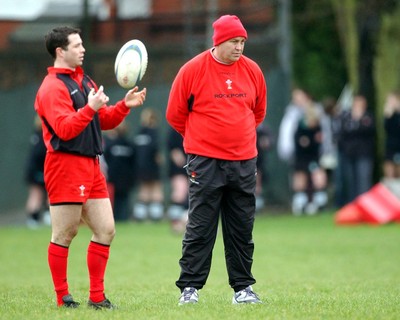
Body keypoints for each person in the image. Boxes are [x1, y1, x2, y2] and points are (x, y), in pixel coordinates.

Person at [34, 26, 146, 309]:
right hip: (65, 164)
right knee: (64, 233)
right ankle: (63, 297)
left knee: (106, 229)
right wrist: (91, 108)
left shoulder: (85, 81)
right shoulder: (51, 87)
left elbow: (103, 120)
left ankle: (97, 297)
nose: (83, 49)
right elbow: (64, 128)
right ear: (60, 51)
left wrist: (124, 105)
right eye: (77, 45)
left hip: (92, 165)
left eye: (82, 44)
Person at [166, 15, 266, 305]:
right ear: (219, 41)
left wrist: (237, 137)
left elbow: (258, 112)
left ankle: (243, 289)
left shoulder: (253, 71)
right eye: (234, 41)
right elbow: (175, 115)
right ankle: (189, 288)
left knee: (241, 227)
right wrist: (202, 139)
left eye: (243, 42)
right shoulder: (192, 70)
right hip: (205, 162)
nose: (239, 47)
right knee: (200, 225)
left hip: (244, 161)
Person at [336, 94, 375, 204]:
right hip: (349, 153)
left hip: (364, 154)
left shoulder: (368, 117)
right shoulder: (346, 117)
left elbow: (368, 131)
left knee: (364, 180)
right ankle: (353, 205)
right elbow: (342, 133)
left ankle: (366, 205)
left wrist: (358, 122)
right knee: (350, 181)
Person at [132, 108, 164, 221]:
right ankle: (156, 215)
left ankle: (140, 215)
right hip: (151, 165)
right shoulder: (154, 132)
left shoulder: (139, 132)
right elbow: (156, 151)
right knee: (155, 188)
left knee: (144, 189)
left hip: (140, 166)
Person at [103, 120, 136, 222]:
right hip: (112, 178)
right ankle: (113, 218)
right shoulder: (108, 144)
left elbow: (133, 162)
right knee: (111, 200)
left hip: (125, 179)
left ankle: (123, 218)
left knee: (124, 200)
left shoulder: (129, 144)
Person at [24, 115, 50, 228]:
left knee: (40, 194)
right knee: (37, 194)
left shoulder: (36, 135)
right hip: (37, 170)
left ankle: (43, 216)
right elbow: (40, 155)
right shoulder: (41, 136)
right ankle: (34, 219)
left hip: (35, 170)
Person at [166, 127, 188, 234]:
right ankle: (175, 223)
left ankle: (186, 223)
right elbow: (172, 146)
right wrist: (177, 155)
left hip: (194, 164)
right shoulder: (175, 129)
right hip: (179, 168)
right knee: (179, 193)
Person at [383, 91, 400, 180]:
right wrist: (388, 116)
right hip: (390, 148)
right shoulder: (388, 115)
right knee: (390, 175)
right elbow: (386, 129)